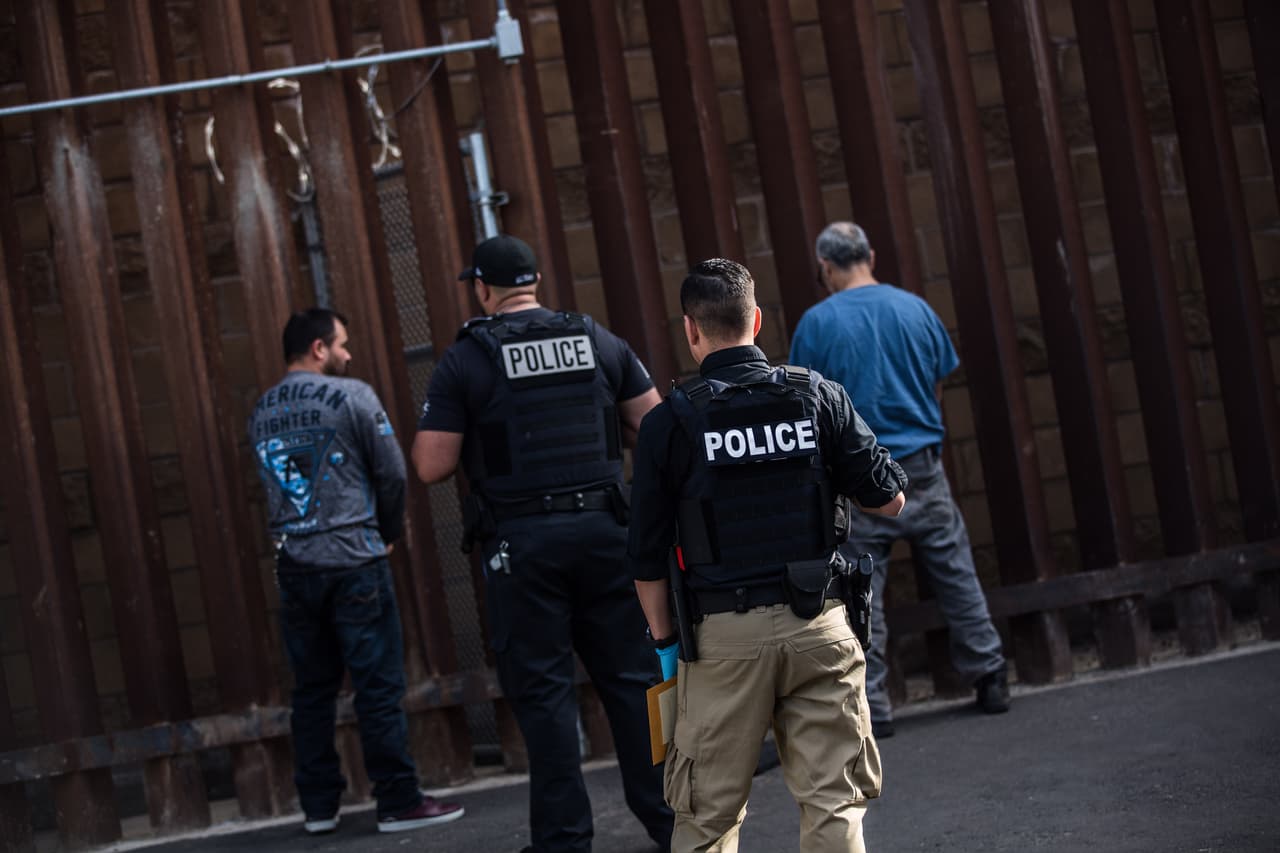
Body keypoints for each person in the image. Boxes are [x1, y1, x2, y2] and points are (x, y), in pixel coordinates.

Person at [627, 258, 907, 853]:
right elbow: (891, 501)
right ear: (756, 320)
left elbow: (646, 559)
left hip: (723, 642)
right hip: (821, 628)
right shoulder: (817, 394)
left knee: (706, 817)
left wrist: (668, 649)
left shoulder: (669, 422)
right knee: (835, 802)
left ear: (691, 330)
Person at [412, 235, 674, 853]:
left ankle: (563, 841)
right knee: (636, 684)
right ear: (534, 282)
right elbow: (656, 426)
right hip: (608, 537)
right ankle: (674, 826)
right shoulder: (597, 339)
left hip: (524, 547)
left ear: (483, 288)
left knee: (545, 695)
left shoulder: (468, 359)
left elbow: (430, 465)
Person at [789, 222, 1011, 738]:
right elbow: (936, 380)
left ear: (825, 267)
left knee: (862, 591)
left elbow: (808, 405)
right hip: (922, 466)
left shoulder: (816, 324)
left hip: (858, 475)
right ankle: (990, 673)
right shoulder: (916, 309)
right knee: (956, 573)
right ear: (871, 253)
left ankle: (875, 705)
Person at [248, 308, 465, 835]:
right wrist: (386, 531)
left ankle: (319, 808)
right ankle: (396, 799)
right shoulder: (353, 396)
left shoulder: (261, 412)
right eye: (341, 344)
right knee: (377, 686)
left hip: (295, 564)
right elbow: (391, 472)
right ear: (318, 349)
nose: (347, 354)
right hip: (355, 561)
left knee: (312, 691)